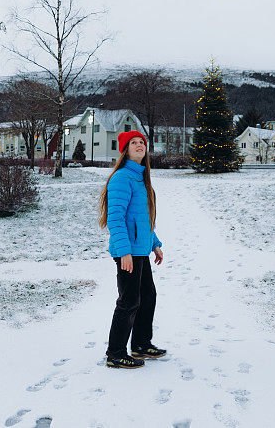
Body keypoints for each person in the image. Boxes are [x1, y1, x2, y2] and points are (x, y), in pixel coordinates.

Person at [98, 130, 167, 369]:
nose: (139, 145)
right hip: (127, 251)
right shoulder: (121, 178)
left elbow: (142, 218)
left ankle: (140, 344)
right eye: (133, 143)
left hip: (140, 249)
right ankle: (115, 353)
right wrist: (124, 251)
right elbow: (115, 219)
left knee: (148, 297)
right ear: (125, 150)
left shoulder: (140, 177)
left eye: (142, 142)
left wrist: (154, 243)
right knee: (129, 301)